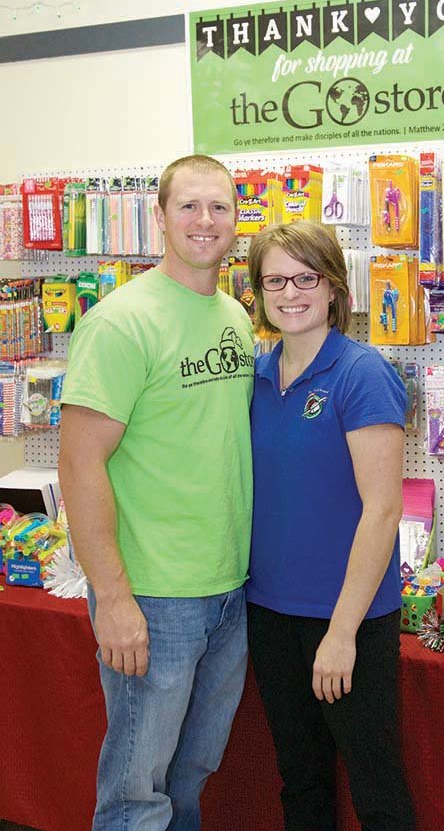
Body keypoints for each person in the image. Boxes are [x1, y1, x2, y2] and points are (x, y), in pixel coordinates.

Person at [59, 155, 255, 831]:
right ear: (161, 217)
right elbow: (80, 465)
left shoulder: (234, 315)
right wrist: (112, 596)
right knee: (136, 795)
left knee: (191, 775)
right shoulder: (121, 322)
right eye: (190, 207)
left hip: (230, 588)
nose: (206, 221)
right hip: (154, 596)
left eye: (220, 207)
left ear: (237, 218)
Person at [246, 221, 415, 831]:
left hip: (349, 620)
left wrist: (341, 634)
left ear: (335, 288)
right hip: (268, 614)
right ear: (259, 293)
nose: (290, 293)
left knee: (375, 786)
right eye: (274, 280)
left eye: (305, 277)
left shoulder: (362, 373)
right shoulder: (257, 378)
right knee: (302, 778)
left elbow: (383, 510)